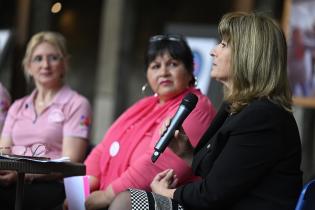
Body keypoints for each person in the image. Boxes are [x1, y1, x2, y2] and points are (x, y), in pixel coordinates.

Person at [109, 12, 303, 210]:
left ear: (247, 55)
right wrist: (185, 152)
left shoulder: (263, 117)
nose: (213, 51)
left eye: (224, 45)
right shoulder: (237, 108)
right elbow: (222, 174)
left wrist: (167, 193)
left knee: (127, 203)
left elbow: (213, 194)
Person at [80, 34, 216, 210]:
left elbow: (159, 162)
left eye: (173, 64)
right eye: (155, 66)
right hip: (113, 195)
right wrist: (86, 186)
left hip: (175, 200)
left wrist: (106, 196)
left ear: (191, 71)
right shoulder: (144, 106)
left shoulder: (195, 107)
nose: (163, 72)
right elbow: (104, 147)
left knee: (124, 203)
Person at [0, 31, 92, 209]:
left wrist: (22, 174)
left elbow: (71, 161)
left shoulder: (77, 104)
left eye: (53, 58)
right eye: (38, 59)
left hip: (54, 186)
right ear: (28, 66)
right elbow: (3, 151)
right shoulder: (18, 106)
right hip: (13, 182)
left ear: (65, 64)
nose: (45, 65)